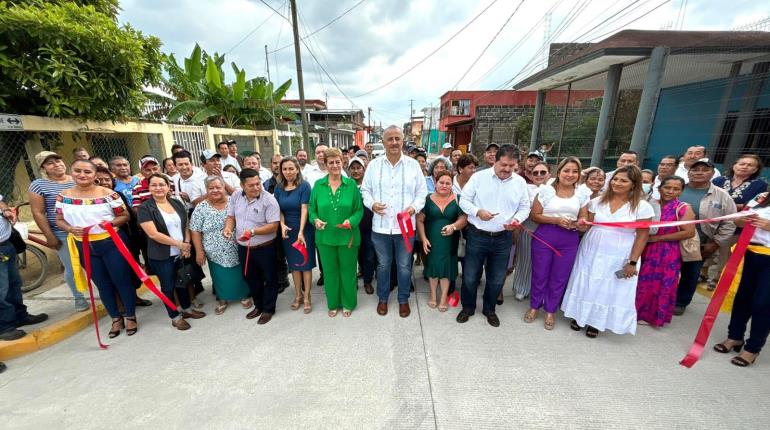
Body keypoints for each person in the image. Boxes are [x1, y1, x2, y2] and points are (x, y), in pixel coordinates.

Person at [562, 165, 654, 337]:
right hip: (591, 249)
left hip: (620, 254)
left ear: (634, 184)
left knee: (609, 287)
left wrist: (632, 262)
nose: (617, 183)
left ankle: (596, 322)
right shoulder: (597, 201)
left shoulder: (642, 207)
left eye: (624, 181)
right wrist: (577, 225)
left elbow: (642, 236)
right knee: (587, 282)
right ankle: (579, 315)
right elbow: (585, 227)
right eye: (616, 179)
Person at [56, 160, 137, 338]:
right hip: (83, 244)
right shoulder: (64, 196)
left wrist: (110, 223)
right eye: (78, 171)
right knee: (102, 284)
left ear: (94, 175)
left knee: (122, 280)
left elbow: (125, 216)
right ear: (72, 172)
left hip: (110, 242)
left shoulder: (108, 194)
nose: (82, 175)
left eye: (87, 171)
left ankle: (130, 315)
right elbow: (59, 219)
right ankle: (115, 318)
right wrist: (69, 228)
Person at [458, 144, 530, 327]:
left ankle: (489, 309)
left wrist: (516, 220)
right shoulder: (479, 177)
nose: (507, 169)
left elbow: (524, 207)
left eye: (511, 166)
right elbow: (464, 201)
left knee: (497, 277)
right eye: (503, 165)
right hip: (477, 234)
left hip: (503, 237)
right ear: (495, 161)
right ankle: (468, 307)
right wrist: (477, 211)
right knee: (470, 275)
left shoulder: (520, 183)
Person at [361, 125, 428, 318]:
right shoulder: (374, 166)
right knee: (382, 265)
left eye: (397, 138)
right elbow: (365, 190)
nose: (394, 142)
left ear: (403, 140)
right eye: (389, 139)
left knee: (405, 266)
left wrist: (413, 208)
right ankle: (383, 298)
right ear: (383, 142)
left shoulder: (413, 165)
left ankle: (403, 299)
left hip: (405, 228)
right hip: (380, 228)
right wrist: (372, 204)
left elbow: (421, 193)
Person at [525, 157, 590, 330]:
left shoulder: (582, 194)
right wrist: (556, 220)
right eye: (566, 170)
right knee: (540, 273)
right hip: (545, 236)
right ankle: (534, 306)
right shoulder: (546, 191)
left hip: (569, 239)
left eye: (574, 171)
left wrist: (580, 222)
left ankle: (551, 310)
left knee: (559, 276)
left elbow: (584, 216)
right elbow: (535, 215)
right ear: (558, 172)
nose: (570, 174)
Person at [138, 174, 206, 330]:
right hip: (162, 256)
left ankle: (187, 309)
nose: (158, 188)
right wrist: (180, 245)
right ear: (149, 188)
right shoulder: (145, 208)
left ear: (168, 187)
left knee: (182, 281)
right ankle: (175, 316)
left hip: (181, 252)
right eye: (154, 185)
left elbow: (186, 224)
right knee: (168, 287)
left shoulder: (176, 203)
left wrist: (187, 244)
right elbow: (153, 234)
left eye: (162, 184)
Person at [713, 192, 770, 367]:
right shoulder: (762, 197)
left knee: (763, 303)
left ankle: (753, 348)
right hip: (749, 252)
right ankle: (735, 337)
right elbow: (738, 219)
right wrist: (741, 221)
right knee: (742, 297)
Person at [674, 159, 737, 315]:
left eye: (704, 170)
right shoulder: (676, 188)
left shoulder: (722, 196)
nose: (699, 172)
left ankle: (681, 301)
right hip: (670, 238)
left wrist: (716, 243)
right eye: (695, 170)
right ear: (688, 173)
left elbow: (730, 221)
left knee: (691, 273)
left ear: (712, 173)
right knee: (666, 270)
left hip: (700, 242)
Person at [28, 151, 88, 311]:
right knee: (72, 266)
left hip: (86, 230)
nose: (57, 164)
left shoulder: (76, 179)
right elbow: (38, 212)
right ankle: (79, 297)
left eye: (58, 160)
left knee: (92, 264)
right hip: (61, 232)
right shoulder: (38, 185)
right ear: (44, 168)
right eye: (50, 163)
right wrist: (49, 236)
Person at [310, 148, 364, 318]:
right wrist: (316, 220)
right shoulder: (318, 185)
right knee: (330, 272)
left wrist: (351, 221)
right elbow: (312, 209)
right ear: (325, 164)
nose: (335, 165)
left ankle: (348, 303)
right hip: (325, 238)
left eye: (338, 162)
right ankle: (333, 303)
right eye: (331, 162)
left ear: (343, 162)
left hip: (348, 237)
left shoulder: (351, 185)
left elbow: (359, 210)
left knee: (348, 272)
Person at [635, 176, 695, 327]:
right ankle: (635, 311)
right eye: (667, 187)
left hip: (667, 252)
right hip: (644, 247)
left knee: (660, 283)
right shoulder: (650, 204)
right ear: (660, 188)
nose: (670, 191)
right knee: (641, 280)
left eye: (676, 189)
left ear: (681, 191)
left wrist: (659, 239)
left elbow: (689, 232)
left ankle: (652, 316)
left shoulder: (682, 208)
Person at [224, 169, 281, 325]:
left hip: (265, 247)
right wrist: (228, 228)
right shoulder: (236, 196)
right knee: (250, 277)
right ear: (242, 185)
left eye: (258, 183)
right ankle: (259, 305)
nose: (256, 188)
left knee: (270, 279)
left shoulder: (269, 200)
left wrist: (253, 232)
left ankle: (268, 309)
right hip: (244, 247)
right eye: (251, 185)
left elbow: (274, 226)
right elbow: (231, 217)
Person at [190, 176, 250, 315]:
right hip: (213, 250)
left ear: (224, 187)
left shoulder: (234, 202)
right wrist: (199, 251)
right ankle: (222, 298)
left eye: (218, 187)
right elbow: (195, 230)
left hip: (237, 246)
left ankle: (243, 295)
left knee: (239, 273)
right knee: (219, 275)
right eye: (211, 188)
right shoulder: (201, 207)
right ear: (206, 190)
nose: (215, 190)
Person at [707, 155, 768, 289]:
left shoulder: (759, 184)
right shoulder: (719, 180)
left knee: (725, 252)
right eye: (742, 163)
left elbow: (754, 204)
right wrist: (732, 205)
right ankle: (703, 273)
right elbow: (709, 197)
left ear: (755, 170)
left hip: (737, 224)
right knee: (708, 247)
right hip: (713, 221)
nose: (745, 166)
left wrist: (730, 206)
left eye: (750, 165)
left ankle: (716, 278)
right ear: (734, 165)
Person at [95, 166, 152, 308]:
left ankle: (134, 298)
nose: (103, 182)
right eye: (99, 180)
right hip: (103, 241)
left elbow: (129, 217)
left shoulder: (117, 194)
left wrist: (136, 238)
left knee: (129, 271)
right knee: (112, 274)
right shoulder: (90, 200)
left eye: (107, 179)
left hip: (126, 238)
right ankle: (120, 304)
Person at [417, 171, 467, 312]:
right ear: (435, 183)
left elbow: (464, 219)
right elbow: (419, 220)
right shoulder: (427, 199)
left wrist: (453, 226)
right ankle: (433, 294)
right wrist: (423, 238)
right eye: (441, 182)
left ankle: (444, 297)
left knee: (446, 270)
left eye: (448, 183)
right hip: (432, 240)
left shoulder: (458, 198)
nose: (444, 185)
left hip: (450, 241)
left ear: (452, 184)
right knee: (433, 268)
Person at [1, 194, 48, 341]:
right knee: (1, 290)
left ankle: (19, 316)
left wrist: (5, 210)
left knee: (14, 283)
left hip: (6, 244)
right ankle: (4, 327)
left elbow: (1, 202)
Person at [274, 157, 316, 313]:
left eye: (291, 168)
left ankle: (307, 296)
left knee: (305, 264)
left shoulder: (304, 186)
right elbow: (279, 209)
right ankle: (297, 295)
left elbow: (305, 209)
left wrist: (301, 231)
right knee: (294, 265)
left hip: (304, 230)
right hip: (288, 231)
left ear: (297, 169)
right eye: (285, 169)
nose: (288, 172)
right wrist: (282, 224)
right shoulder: (278, 188)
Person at [511, 161, 550, 302]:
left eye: (543, 172)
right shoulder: (526, 189)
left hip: (549, 229)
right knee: (525, 259)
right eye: (535, 173)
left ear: (549, 174)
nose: (539, 175)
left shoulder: (556, 190)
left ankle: (540, 291)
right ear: (530, 175)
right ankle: (521, 287)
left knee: (544, 263)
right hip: (528, 227)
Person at [348, 156, 375, 294]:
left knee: (369, 255)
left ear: (364, 169)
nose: (356, 171)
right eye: (353, 168)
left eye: (359, 168)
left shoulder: (369, 185)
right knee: (352, 255)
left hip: (368, 227)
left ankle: (368, 281)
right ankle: (353, 280)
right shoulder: (346, 185)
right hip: (351, 228)